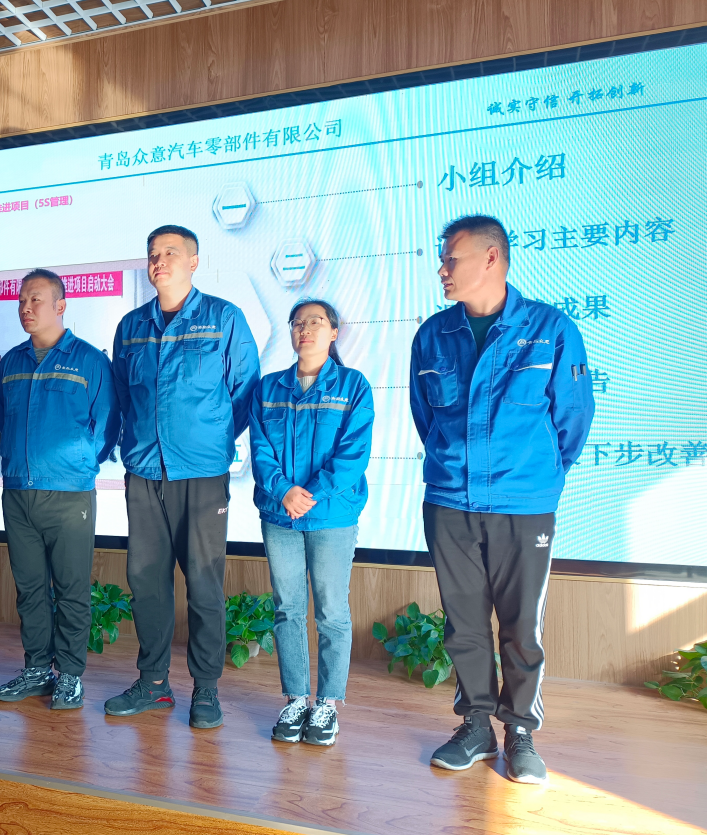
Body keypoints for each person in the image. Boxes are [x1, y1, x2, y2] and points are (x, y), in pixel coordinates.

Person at [410, 216, 594, 783]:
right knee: (462, 624)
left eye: (452, 259)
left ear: (491, 258)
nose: (442, 270)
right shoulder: (432, 335)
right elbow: (426, 417)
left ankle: (520, 733)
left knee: (521, 626)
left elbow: (572, 418)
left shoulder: (550, 329)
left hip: (524, 503)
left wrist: (537, 478)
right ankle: (476, 727)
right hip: (450, 500)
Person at [105, 225, 260, 729]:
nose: (159, 261)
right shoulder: (131, 326)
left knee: (204, 584)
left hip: (202, 474)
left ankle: (206, 689)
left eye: (170, 252)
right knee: (146, 583)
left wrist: (210, 437)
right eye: (153, 254)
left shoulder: (223, 318)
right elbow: (123, 396)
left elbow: (245, 392)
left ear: (194, 262)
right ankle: (153, 684)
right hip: (144, 472)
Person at [0, 270, 120, 710]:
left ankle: (69, 675)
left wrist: (78, 465)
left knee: (71, 590)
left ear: (61, 306)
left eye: (36, 300)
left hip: (69, 496)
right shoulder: (11, 362)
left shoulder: (89, 360)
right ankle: (36, 670)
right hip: (18, 492)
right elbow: (4, 419)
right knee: (29, 589)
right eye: (21, 300)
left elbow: (107, 424)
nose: (26, 308)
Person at [248, 300, 373, 746]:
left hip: (331, 515)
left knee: (332, 611)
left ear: (334, 332)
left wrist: (310, 493)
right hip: (279, 513)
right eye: (298, 323)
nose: (305, 329)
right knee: (287, 608)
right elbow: (259, 448)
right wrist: (284, 490)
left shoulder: (353, 386)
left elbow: (353, 455)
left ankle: (327, 705)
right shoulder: (268, 388)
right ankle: (296, 699)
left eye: (315, 322)